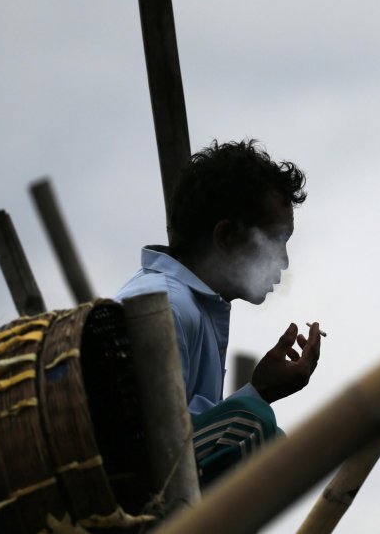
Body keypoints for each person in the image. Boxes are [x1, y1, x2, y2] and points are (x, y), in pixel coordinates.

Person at [115, 139, 321, 484]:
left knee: (271, 439)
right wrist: (253, 406)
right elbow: (141, 452)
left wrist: (260, 389)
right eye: (276, 241)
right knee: (255, 423)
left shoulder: (191, 305)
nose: (283, 261)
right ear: (225, 237)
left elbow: (186, 431)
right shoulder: (163, 307)